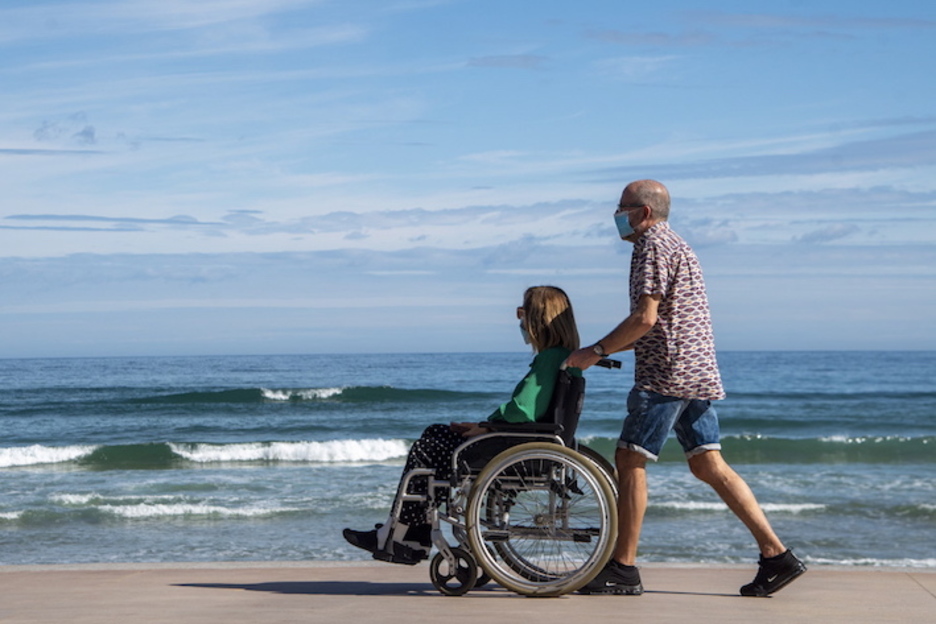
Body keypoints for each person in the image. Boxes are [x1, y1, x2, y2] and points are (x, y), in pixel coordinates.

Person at [564, 180, 806, 597]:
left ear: (643, 213)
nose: (615, 215)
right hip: (696, 369)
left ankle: (623, 568)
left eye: (621, 207)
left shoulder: (651, 246)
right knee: (707, 464)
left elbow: (645, 318)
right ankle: (777, 556)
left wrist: (595, 350)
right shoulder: (678, 243)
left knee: (629, 458)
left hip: (667, 370)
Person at [343, 285, 582, 565]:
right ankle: (408, 534)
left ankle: (401, 535)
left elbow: (522, 410)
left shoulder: (549, 358)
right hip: (525, 441)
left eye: (522, 313)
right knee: (435, 433)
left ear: (538, 318)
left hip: (515, 444)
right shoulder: (564, 357)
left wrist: (487, 427)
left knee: (427, 449)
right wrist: (485, 426)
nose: (520, 321)